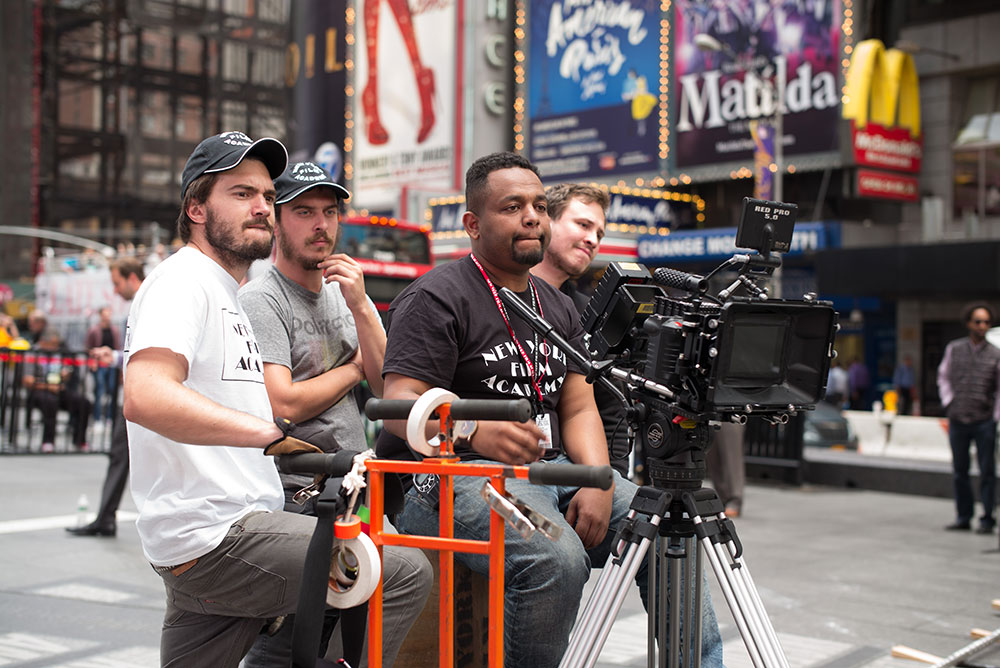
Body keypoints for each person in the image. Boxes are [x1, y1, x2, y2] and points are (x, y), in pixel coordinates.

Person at [379, 153, 723, 668]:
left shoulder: (555, 304)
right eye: (512, 206)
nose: (533, 217)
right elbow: (396, 405)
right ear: (472, 224)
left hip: (550, 473)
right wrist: (473, 430)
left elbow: (579, 403)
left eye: (539, 205)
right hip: (456, 480)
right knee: (554, 556)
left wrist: (598, 480)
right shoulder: (436, 296)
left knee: (672, 527)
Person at [122, 131, 358, 666]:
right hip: (219, 535)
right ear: (196, 208)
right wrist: (270, 434)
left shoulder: (226, 292)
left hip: (220, 530)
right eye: (241, 193)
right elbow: (145, 394)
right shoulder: (184, 281)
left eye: (267, 197)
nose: (261, 207)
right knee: (397, 570)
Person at [239, 161, 431, 668]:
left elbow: (386, 385)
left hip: (353, 486)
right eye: (304, 211)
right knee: (292, 635)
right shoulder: (262, 299)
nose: (321, 224)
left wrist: (364, 306)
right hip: (301, 492)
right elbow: (284, 403)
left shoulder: (340, 297)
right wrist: (350, 372)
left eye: (330, 212)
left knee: (343, 622)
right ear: (277, 221)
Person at [67, 257, 144, 537]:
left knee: (122, 455)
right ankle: (105, 518)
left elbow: (143, 354)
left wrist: (114, 357)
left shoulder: (147, 301)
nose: (114, 291)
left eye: (116, 283)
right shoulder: (144, 302)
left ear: (131, 278)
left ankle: (105, 518)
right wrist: (113, 357)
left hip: (147, 399)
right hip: (143, 398)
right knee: (119, 454)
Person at [937, 303, 1000, 534]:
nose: (982, 326)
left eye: (986, 322)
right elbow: (943, 377)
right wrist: (949, 402)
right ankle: (963, 516)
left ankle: (987, 519)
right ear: (968, 323)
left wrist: (995, 416)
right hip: (958, 419)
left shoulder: (996, 353)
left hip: (984, 421)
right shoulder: (954, 349)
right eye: (978, 321)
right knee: (960, 471)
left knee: (987, 471)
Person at [23, 329, 91, 452]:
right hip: (39, 390)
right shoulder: (33, 353)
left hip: (59, 388)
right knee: (50, 402)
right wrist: (48, 386)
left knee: (83, 402)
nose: (55, 347)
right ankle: (48, 441)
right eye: (52, 344)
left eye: (56, 344)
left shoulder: (59, 353)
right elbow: (27, 380)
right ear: (43, 342)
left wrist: (65, 375)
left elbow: (67, 370)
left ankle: (80, 440)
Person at [85, 306, 121, 424]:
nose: (107, 316)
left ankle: (109, 417)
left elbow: (117, 347)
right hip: (99, 364)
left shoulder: (114, 330)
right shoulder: (94, 330)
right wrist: (93, 360)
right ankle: (97, 418)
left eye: (109, 314)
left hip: (111, 364)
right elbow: (88, 347)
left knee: (111, 390)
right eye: (105, 314)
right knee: (99, 391)